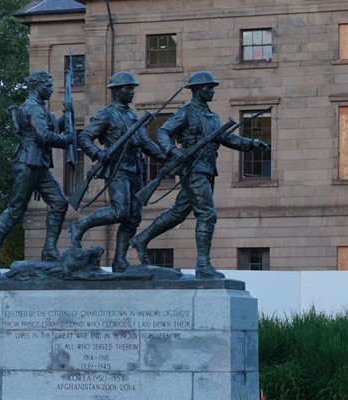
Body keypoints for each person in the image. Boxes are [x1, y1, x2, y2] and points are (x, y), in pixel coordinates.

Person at [128, 71, 270, 278]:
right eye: (208, 87)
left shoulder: (213, 117)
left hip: (206, 170)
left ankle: (141, 239)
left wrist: (252, 144)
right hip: (193, 170)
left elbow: (227, 138)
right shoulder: (185, 112)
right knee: (207, 214)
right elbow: (162, 132)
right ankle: (203, 265)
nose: (212, 91)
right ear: (196, 90)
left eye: (212, 87)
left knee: (178, 212)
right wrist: (174, 151)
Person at [68, 71, 167, 273]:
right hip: (118, 170)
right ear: (115, 91)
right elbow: (85, 137)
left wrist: (168, 158)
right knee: (119, 211)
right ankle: (80, 225)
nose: (131, 92)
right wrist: (97, 153)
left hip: (136, 170)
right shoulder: (106, 114)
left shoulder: (132, 115)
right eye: (127, 88)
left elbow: (145, 143)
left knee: (132, 218)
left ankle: (119, 261)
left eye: (133, 88)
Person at [0, 70, 74, 276]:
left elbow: (49, 130)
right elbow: (43, 136)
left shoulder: (39, 108)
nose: (51, 89)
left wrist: (66, 117)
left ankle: (49, 249)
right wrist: (67, 138)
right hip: (26, 163)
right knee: (16, 209)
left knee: (60, 203)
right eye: (48, 85)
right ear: (36, 86)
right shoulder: (33, 107)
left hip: (39, 165)